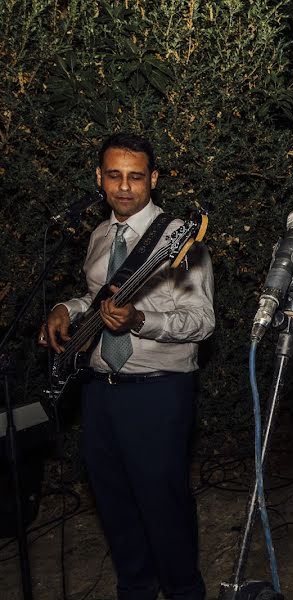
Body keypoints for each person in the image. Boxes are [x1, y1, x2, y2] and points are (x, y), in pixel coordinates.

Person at [39, 134, 214, 600]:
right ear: (99, 179)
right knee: (112, 499)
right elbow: (95, 298)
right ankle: (135, 588)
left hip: (158, 390)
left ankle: (182, 590)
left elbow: (202, 321)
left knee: (163, 503)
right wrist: (66, 307)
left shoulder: (179, 238)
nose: (124, 187)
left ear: (153, 179)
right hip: (98, 388)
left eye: (136, 176)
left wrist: (141, 319)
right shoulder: (99, 234)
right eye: (114, 175)